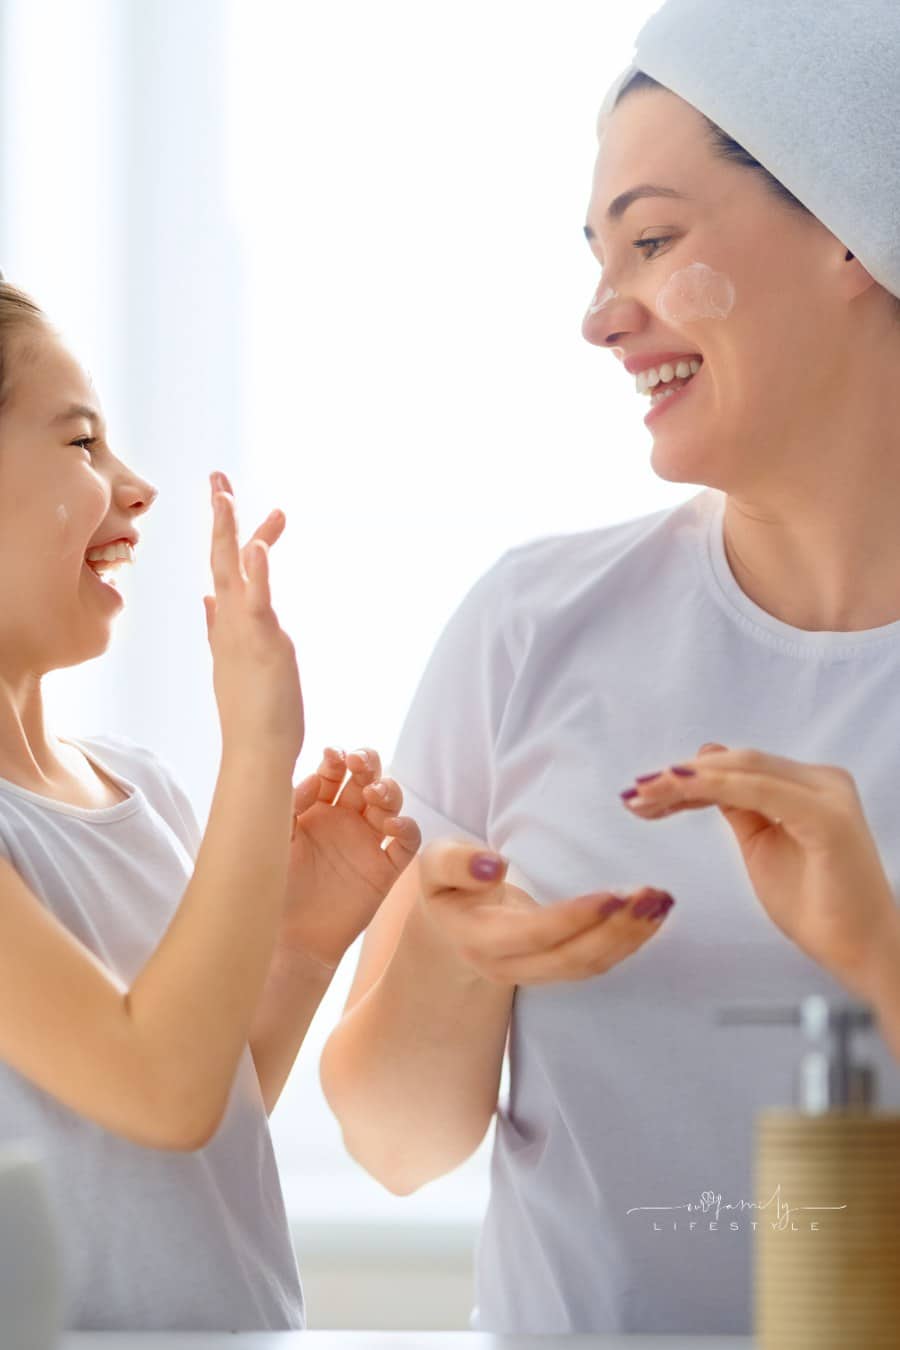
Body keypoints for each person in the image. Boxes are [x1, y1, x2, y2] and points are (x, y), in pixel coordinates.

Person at [319, 0, 900, 1334]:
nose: (599, 316)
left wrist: (877, 954)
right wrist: (458, 963)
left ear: (854, 228)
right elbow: (397, 1145)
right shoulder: (534, 625)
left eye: (654, 239)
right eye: (599, 255)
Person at [0, 278, 421, 1330]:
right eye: (82, 444)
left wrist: (302, 949)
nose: (136, 489)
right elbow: (161, 1089)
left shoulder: (141, 788)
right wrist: (259, 744)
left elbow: (192, 1123)